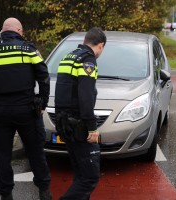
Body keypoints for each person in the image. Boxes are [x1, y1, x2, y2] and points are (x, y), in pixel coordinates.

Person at [0, 18, 52, 200]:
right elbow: (44, 76)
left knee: (2, 156)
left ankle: (6, 195)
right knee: (35, 152)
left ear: (2, 31)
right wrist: (41, 103)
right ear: (19, 31)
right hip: (26, 110)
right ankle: (44, 191)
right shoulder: (28, 49)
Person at [54, 27, 106, 200]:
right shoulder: (88, 60)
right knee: (90, 177)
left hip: (64, 122)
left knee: (80, 174)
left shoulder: (69, 56)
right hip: (78, 125)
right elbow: (85, 97)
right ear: (100, 45)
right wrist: (92, 128)